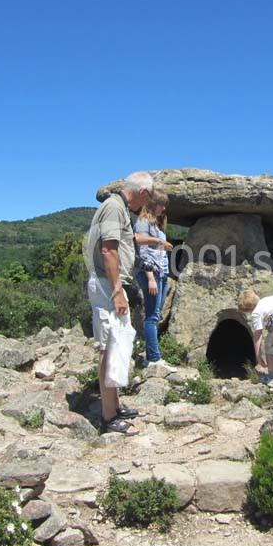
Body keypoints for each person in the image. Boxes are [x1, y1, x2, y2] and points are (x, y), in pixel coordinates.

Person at [83, 171, 153, 434]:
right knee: (109, 348)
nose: (143, 206)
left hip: (110, 285)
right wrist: (117, 290)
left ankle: (115, 404)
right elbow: (108, 250)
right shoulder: (113, 208)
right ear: (142, 192)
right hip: (107, 285)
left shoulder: (118, 207)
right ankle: (108, 416)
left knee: (118, 346)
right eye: (146, 200)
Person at [134, 189, 174, 365]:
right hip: (152, 273)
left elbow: (156, 251)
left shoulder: (157, 225)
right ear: (152, 203)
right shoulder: (143, 223)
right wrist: (150, 277)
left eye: (165, 205)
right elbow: (142, 252)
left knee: (155, 315)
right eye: (161, 204)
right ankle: (154, 358)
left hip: (162, 273)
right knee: (151, 316)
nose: (163, 208)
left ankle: (151, 354)